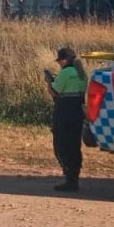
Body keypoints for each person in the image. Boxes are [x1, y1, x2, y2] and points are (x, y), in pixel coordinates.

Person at [47, 47, 88, 191]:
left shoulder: (65, 73)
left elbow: (54, 92)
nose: (59, 63)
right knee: (74, 145)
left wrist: (49, 82)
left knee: (61, 143)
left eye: (59, 61)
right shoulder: (82, 73)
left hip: (64, 110)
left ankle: (68, 177)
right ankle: (74, 178)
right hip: (77, 110)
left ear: (64, 60)